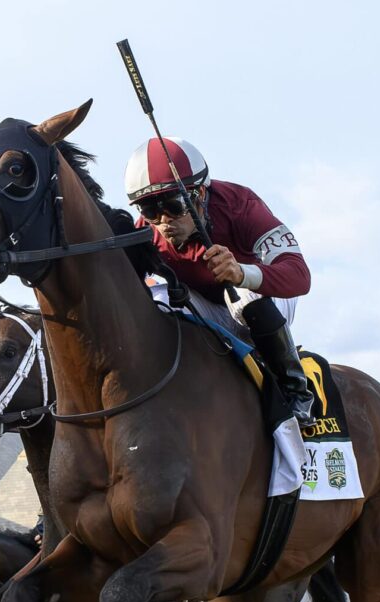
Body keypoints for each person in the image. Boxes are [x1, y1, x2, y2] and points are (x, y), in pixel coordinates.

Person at [124, 138, 315, 425]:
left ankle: (295, 391)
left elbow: (300, 276)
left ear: (199, 193)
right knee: (157, 298)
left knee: (244, 296)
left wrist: (243, 273)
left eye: (173, 206)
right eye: (149, 210)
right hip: (205, 305)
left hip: (267, 298)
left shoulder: (240, 205)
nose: (164, 221)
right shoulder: (146, 234)